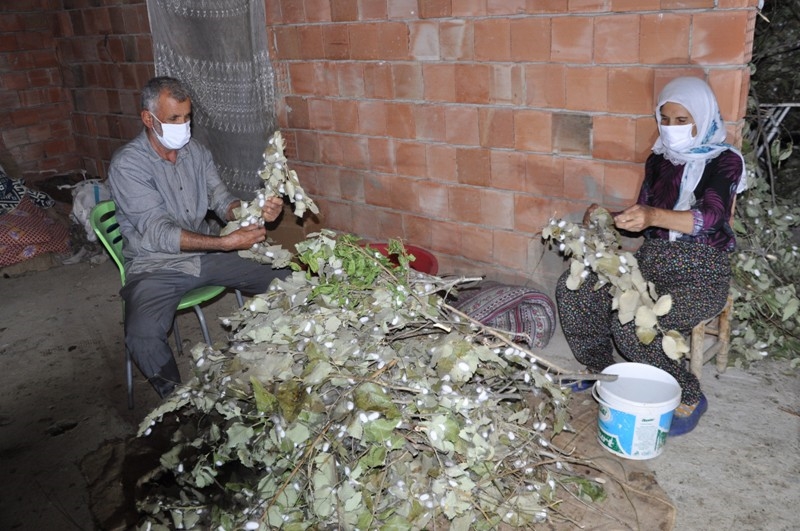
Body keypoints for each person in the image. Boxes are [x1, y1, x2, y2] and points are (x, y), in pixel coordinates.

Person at [555, 76, 746, 436]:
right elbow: (642, 220)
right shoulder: (659, 160)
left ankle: (689, 392)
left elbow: (712, 217)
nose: (671, 129)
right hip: (651, 263)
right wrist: (609, 219)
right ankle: (600, 368)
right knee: (574, 288)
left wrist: (653, 216)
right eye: (666, 119)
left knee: (636, 328)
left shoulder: (726, 161)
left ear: (703, 117)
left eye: (682, 120)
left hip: (701, 270)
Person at [108, 76, 289, 398]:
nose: (183, 125)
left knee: (288, 278)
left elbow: (222, 202)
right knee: (143, 334)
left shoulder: (197, 153)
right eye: (174, 119)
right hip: (156, 266)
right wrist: (224, 243)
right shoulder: (128, 166)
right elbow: (158, 232)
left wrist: (255, 210)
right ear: (148, 119)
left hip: (207, 256)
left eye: (187, 116)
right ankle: (179, 403)